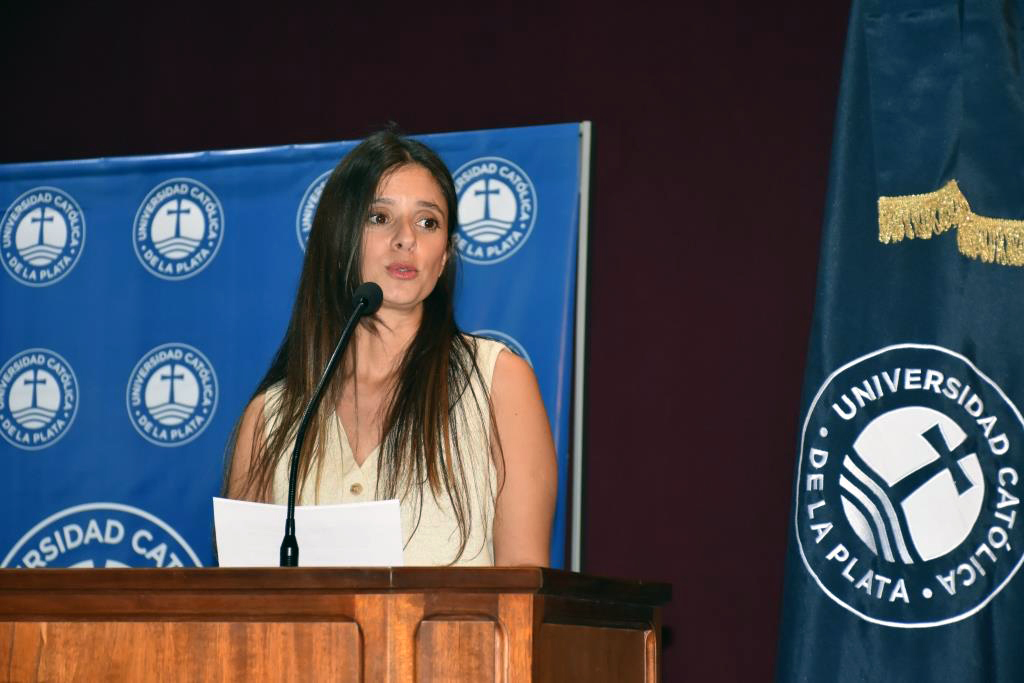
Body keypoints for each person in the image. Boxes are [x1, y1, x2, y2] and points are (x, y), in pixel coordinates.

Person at [223, 130, 557, 567]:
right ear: (339, 238)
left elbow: (523, 597)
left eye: (428, 222)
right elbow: (246, 605)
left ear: (444, 257)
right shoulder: (272, 417)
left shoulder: (499, 383)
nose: (406, 239)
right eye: (379, 217)